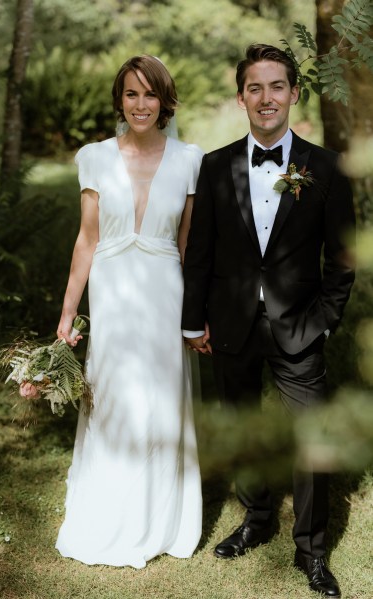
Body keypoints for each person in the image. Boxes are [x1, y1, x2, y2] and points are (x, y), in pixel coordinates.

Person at [182, 44, 355, 597]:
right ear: (240, 97)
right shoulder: (214, 166)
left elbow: (343, 256)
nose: (265, 98)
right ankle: (256, 520)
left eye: (276, 86)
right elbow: (201, 253)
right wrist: (193, 322)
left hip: (300, 325)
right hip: (229, 324)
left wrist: (326, 320)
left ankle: (312, 551)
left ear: (294, 93)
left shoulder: (324, 167)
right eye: (254, 88)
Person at [55, 55, 203, 568]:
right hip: (113, 294)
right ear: (120, 100)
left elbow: (188, 247)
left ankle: (161, 519)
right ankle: (110, 513)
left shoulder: (190, 158)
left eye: (151, 94)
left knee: (160, 401)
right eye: (132, 94)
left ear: (165, 101)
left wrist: (196, 314)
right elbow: (86, 241)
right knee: (115, 399)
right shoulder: (93, 156)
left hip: (165, 294)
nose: (141, 104)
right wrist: (68, 315)